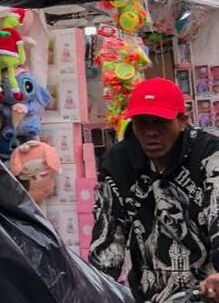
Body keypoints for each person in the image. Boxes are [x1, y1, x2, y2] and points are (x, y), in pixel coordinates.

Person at [89, 77, 219, 302]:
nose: (151, 132)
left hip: (207, 290)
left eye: (160, 122)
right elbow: (108, 236)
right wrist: (97, 290)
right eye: (142, 123)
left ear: (182, 121)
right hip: (149, 292)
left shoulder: (209, 155)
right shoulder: (118, 162)